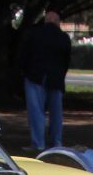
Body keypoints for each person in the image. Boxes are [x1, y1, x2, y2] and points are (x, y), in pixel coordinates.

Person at [17, 10, 70, 150]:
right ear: (58, 22)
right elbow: (66, 61)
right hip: (56, 78)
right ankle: (56, 142)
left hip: (35, 76)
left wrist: (24, 71)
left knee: (36, 112)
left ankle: (38, 143)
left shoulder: (34, 34)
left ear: (46, 20)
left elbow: (24, 55)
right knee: (56, 113)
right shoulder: (63, 38)